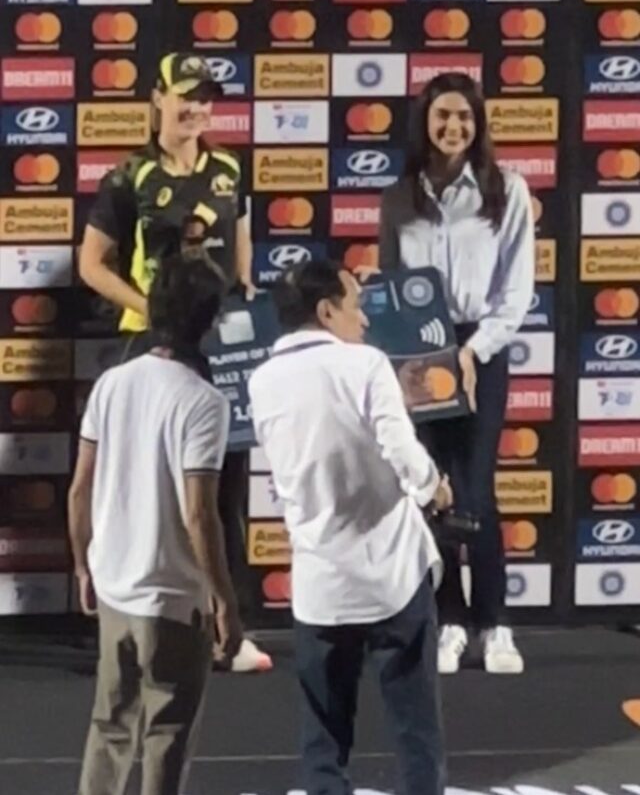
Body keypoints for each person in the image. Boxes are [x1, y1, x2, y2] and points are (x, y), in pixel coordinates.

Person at [78, 51, 270, 673]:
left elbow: (241, 251)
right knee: (155, 488)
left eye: (206, 98)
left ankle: (227, 631)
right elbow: (91, 264)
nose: (196, 108)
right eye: (185, 95)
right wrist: (152, 310)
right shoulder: (129, 176)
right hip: (151, 341)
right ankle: (142, 624)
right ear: (157, 98)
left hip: (222, 343)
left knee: (225, 489)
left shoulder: (227, 169)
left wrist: (248, 302)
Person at [248, 260, 452, 795]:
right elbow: (400, 449)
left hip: (321, 586)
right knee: (416, 736)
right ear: (326, 311)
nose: (364, 320)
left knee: (324, 744)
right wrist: (435, 486)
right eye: (357, 305)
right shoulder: (365, 364)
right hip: (393, 578)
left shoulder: (262, 381)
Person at [361, 73, 535, 675]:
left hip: (478, 352)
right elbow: (385, 287)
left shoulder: (506, 190)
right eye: (442, 117)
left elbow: (516, 293)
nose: (453, 127)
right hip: (416, 353)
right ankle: (450, 619)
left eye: (463, 116)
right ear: (425, 123)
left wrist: (475, 349)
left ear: (478, 123)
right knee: (430, 486)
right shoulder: (398, 197)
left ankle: (495, 622)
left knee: (476, 487)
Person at [68, 252, 243, 795]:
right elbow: (199, 514)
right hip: (173, 600)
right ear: (210, 323)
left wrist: (81, 565)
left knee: (109, 726)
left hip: (116, 588)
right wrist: (225, 600)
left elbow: (80, 489)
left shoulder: (112, 384)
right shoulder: (206, 402)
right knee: (167, 733)